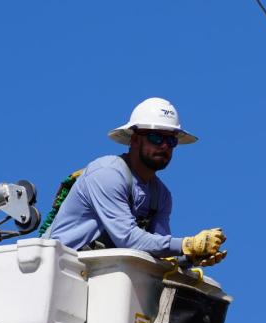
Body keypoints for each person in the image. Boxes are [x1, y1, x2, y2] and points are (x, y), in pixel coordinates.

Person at [45, 97, 227, 266]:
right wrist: (187, 244)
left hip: (99, 275)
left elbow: (158, 250)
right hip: (60, 271)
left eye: (171, 140)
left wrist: (190, 257)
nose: (164, 146)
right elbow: (128, 239)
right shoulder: (107, 174)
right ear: (135, 139)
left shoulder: (160, 195)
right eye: (156, 137)